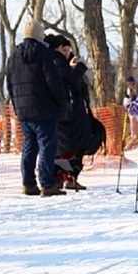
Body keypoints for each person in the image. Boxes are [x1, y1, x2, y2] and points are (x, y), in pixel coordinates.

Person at [5, 19, 68, 197]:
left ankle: (28, 183)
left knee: (29, 146)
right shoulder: (45, 54)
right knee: (47, 146)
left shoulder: (14, 55)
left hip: (24, 110)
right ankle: (47, 184)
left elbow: (9, 82)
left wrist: (16, 104)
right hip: (44, 109)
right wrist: (62, 102)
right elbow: (53, 81)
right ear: (40, 35)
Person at [45, 34, 93, 190]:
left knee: (66, 148)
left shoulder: (58, 61)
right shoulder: (56, 61)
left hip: (68, 111)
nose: (66, 53)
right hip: (66, 113)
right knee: (67, 148)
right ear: (57, 49)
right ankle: (66, 178)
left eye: (68, 50)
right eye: (64, 49)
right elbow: (71, 79)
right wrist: (79, 68)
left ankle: (66, 178)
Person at [123, 76, 138, 149]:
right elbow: (127, 97)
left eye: (130, 82)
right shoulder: (127, 90)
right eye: (128, 83)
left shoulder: (137, 88)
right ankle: (133, 137)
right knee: (132, 123)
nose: (129, 84)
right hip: (131, 109)